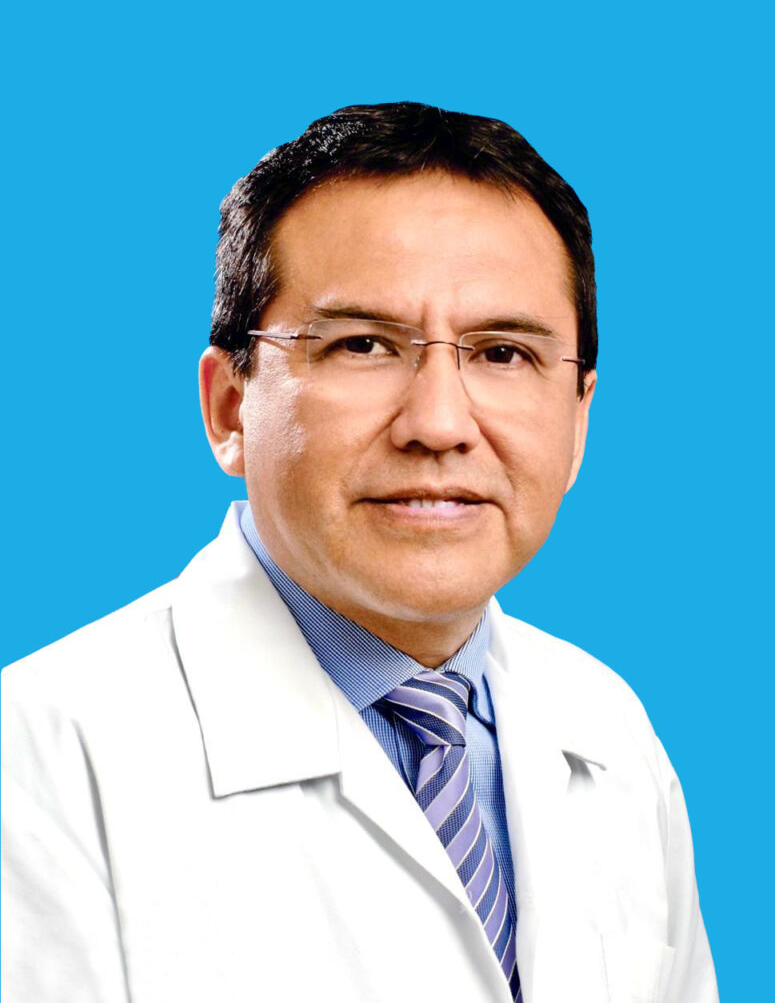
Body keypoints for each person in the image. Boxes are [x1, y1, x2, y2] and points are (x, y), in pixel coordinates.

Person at [1, 102, 718, 1003]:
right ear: (229, 408)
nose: (439, 424)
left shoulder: (609, 731)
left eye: (502, 354)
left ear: (578, 422)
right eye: (363, 344)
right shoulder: (38, 758)